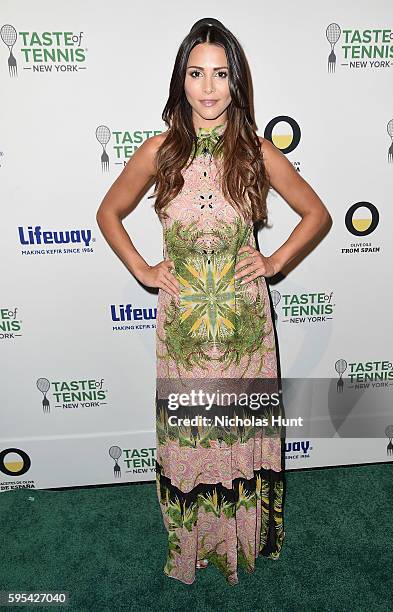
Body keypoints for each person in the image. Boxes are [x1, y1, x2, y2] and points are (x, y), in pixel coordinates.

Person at [96, 18, 332, 586]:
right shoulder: (159, 152)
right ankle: (194, 545)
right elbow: (108, 213)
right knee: (190, 439)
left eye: (220, 74)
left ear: (236, 82)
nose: (208, 88)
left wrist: (275, 263)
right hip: (183, 329)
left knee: (242, 435)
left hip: (246, 327)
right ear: (181, 80)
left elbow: (317, 214)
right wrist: (143, 270)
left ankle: (242, 541)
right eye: (196, 73)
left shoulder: (255, 150)